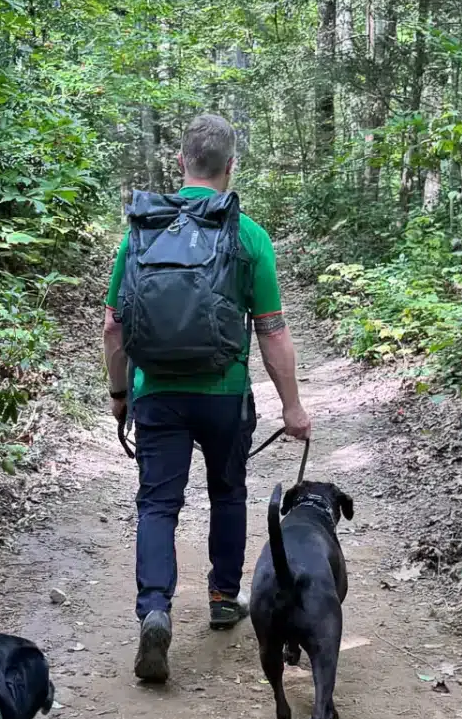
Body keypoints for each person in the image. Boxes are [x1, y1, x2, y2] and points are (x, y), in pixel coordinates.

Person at [103, 112, 311, 684]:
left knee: (157, 505)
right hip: (223, 395)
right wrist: (292, 407)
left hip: (157, 396)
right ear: (231, 167)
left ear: (180, 163)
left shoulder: (141, 230)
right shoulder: (247, 234)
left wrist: (121, 395)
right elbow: (271, 330)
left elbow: (113, 329)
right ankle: (223, 597)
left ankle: (155, 609)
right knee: (227, 492)